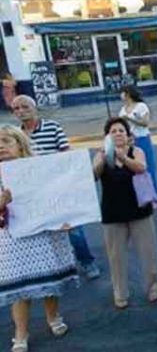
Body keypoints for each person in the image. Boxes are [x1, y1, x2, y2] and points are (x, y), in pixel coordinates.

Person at [0, 125, 78, 352]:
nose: (1, 146)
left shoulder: (39, 167)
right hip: (12, 241)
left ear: (20, 144)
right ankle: (21, 333)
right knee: (19, 289)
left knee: (47, 282)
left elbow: (57, 195)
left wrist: (68, 217)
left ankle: (53, 317)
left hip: (43, 235)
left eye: (6, 141)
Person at [11, 95, 100, 279]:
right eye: (16, 108)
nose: (21, 111)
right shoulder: (16, 135)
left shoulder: (52, 127)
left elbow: (66, 153)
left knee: (73, 228)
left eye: (25, 107)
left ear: (34, 108)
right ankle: (57, 267)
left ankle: (87, 262)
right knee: (44, 232)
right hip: (33, 192)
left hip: (58, 188)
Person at [92, 117, 157, 310]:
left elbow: (141, 167)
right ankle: (120, 292)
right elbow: (93, 175)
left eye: (121, 131)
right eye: (113, 131)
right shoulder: (101, 154)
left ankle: (154, 285)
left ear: (128, 135)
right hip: (112, 212)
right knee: (116, 256)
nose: (117, 134)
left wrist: (122, 157)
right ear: (107, 136)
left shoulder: (136, 151)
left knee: (148, 252)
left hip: (139, 209)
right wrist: (105, 156)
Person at [119, 85, 157, 196]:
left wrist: (130, 118)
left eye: (122, 93)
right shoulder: (123, 109)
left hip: (142, 138)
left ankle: (153, 192)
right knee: (133, 167)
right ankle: (140, 193)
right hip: (130, 141)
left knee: (148, 165)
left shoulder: (141, 106)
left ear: (127, 94)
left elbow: (145, 123)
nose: (121, 96)